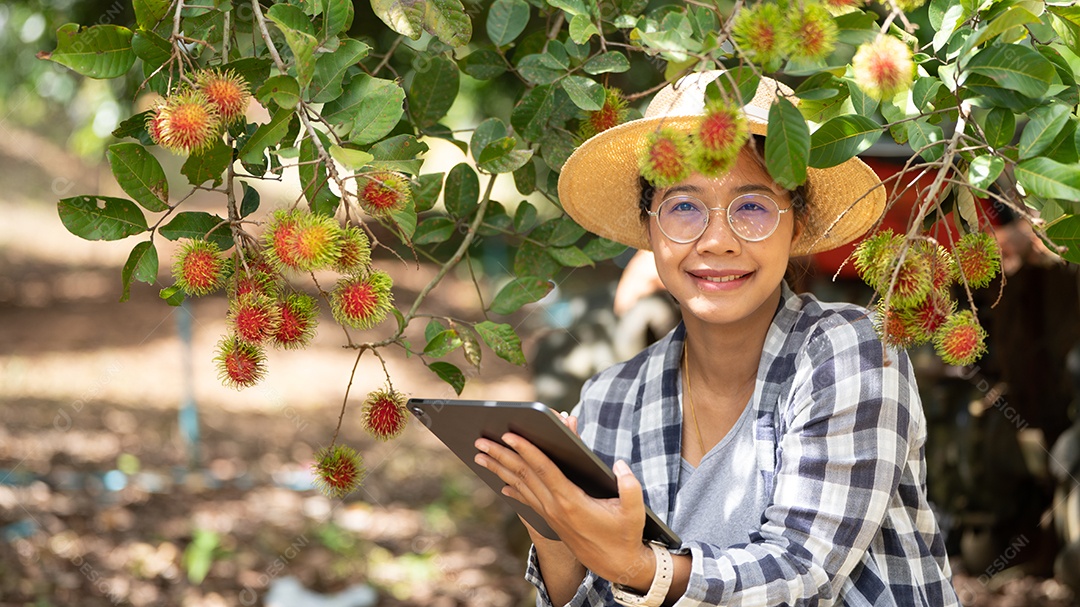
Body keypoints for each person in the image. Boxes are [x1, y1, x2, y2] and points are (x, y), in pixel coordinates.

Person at [473, 71, 960, 606]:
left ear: (795, 226)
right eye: (684, 207)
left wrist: (639, 566)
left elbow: (801, 571)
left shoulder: (851, 353)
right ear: (650, 230)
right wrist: (556, 532)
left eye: (751, 206)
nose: (718, 241)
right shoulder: (608, 400)